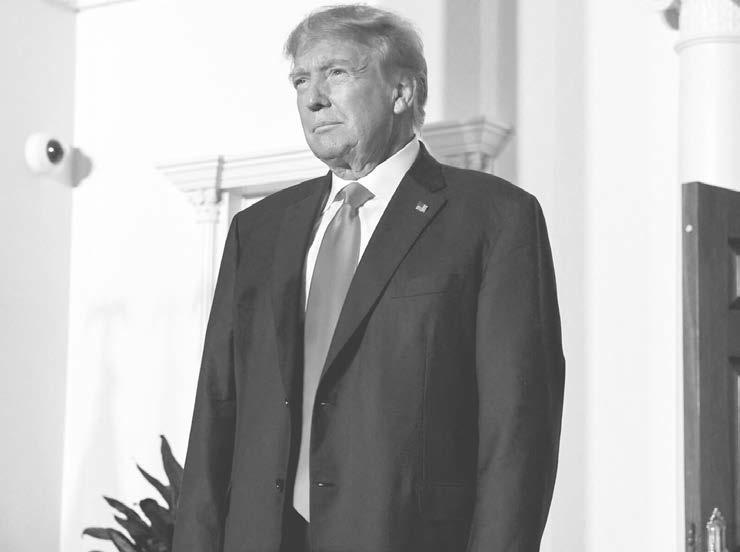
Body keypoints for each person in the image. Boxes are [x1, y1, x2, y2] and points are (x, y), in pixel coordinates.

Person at [171, 4, 565, 552]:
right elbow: (217, 411)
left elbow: (518, 430)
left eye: (336, 72)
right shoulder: (257, 231)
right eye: (301, 80)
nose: (313, 97)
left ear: (401, 91)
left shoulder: (494, 219)